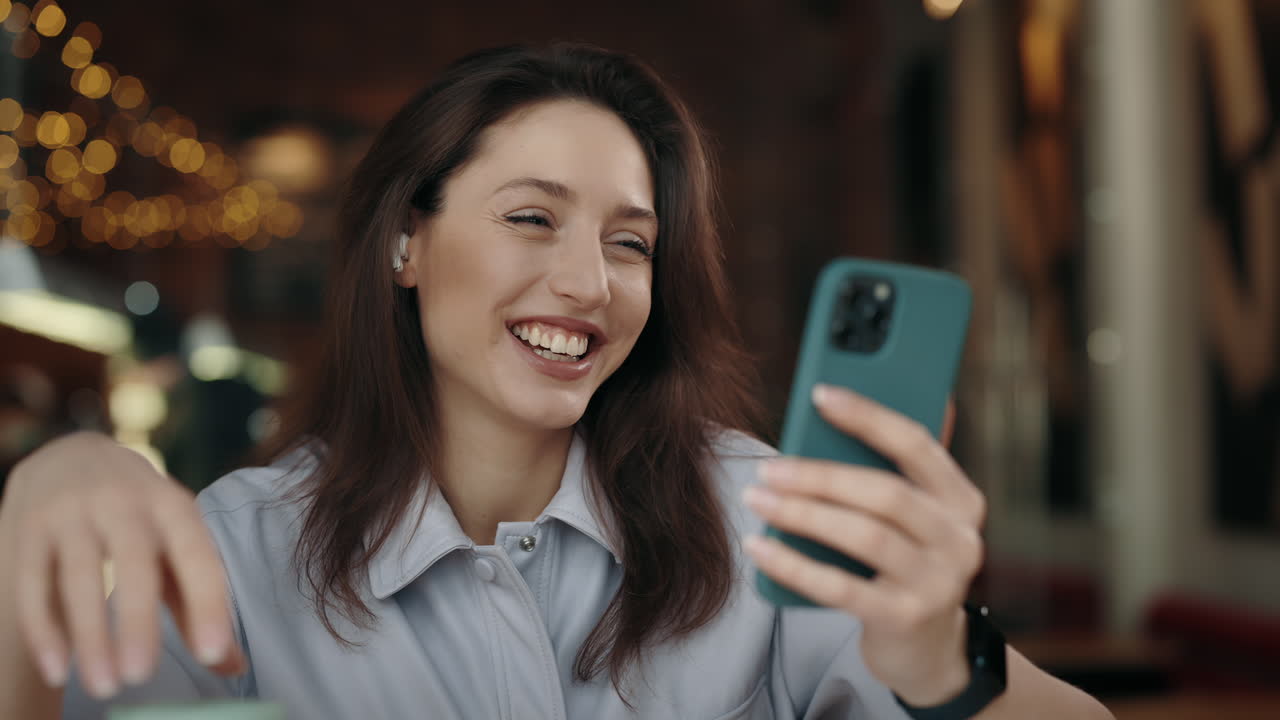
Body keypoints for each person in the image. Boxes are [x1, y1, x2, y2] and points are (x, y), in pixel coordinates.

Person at [0, 44, 1112, 719]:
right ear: (405, 242)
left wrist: (940, 662)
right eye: (531, 218)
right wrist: (39, 503)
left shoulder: (761, 514)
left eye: (631, 244)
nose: (590, 283)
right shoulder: (237, 554)